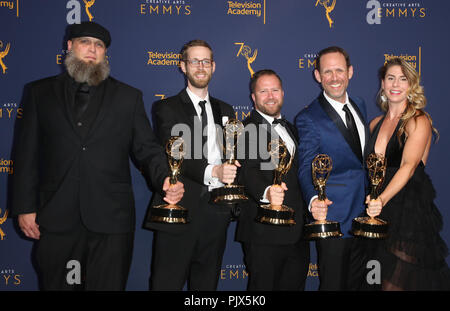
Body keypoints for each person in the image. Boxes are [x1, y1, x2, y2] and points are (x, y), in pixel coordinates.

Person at [11, 21, 184, 290]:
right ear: (69, 46)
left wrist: (165, 178)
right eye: (85, 42)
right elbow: (25, 155)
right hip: (56, 216)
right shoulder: (39, 93)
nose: (92, 49)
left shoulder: (128, 97)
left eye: (99, 45)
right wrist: (24, 207)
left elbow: (147, 149)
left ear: (105, 53)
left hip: (111, 220)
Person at [144, 39, 237, 290]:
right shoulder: (166, 107)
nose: (200, 66)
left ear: (214, 67)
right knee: (166, 284)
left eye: (205, 61)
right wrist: (214, 171)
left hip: (217, 215)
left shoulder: (226, 109)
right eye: (194, 61)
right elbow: (176, 150)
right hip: (178, 209)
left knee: (206, 288)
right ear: (182, 66)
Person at [365, 57, 450, 290]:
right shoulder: (374, 124)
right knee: (377, 279)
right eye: (390, 78)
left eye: (403, 79)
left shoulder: (418, 120)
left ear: (411, 85)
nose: (395, 84)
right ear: (382, 83)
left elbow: (408, 166)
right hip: (376, 209)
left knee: (398, 282)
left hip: (408, 210)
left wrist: (381, 200)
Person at [295, 46, 369, 290]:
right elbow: (306, 165)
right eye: (328, 72)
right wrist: (314, 199)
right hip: (334, 217)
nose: (334, 77)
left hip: (367, 216)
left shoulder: (360, 104)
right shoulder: (308, 118)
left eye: (339, 70)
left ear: (350, 72)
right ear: (318, 76)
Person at [236, 69, 310, 290]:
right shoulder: (245, 130)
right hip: (263, 231)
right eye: (263, 91)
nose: (270, 96)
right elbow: (245, 171)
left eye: (275, 90)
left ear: (283, 93)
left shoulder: (292, 129)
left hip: (297, 231)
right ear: (254, 97)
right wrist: (267, 191)